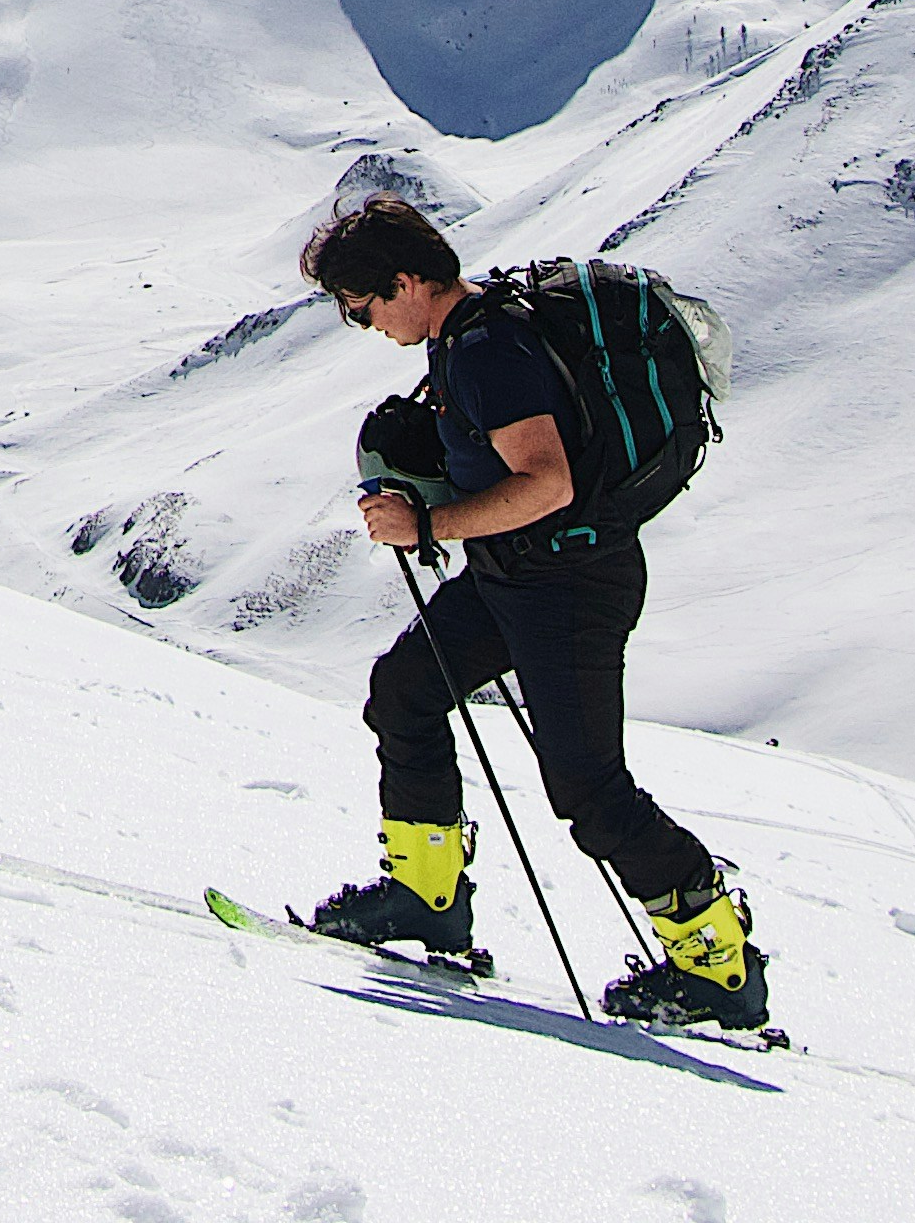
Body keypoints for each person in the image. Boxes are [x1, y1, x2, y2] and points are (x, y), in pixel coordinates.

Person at [298, 193, 770, 1032]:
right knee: (405, 689)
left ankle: (718, 967)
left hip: (571, 586)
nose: (360, 321)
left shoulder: (485, 348)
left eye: (361, 304)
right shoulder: (465, 340)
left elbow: (544, 484)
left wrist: (428, 524)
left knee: (588, 786)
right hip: (514, 573)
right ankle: (426, 895)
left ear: (405, 281)